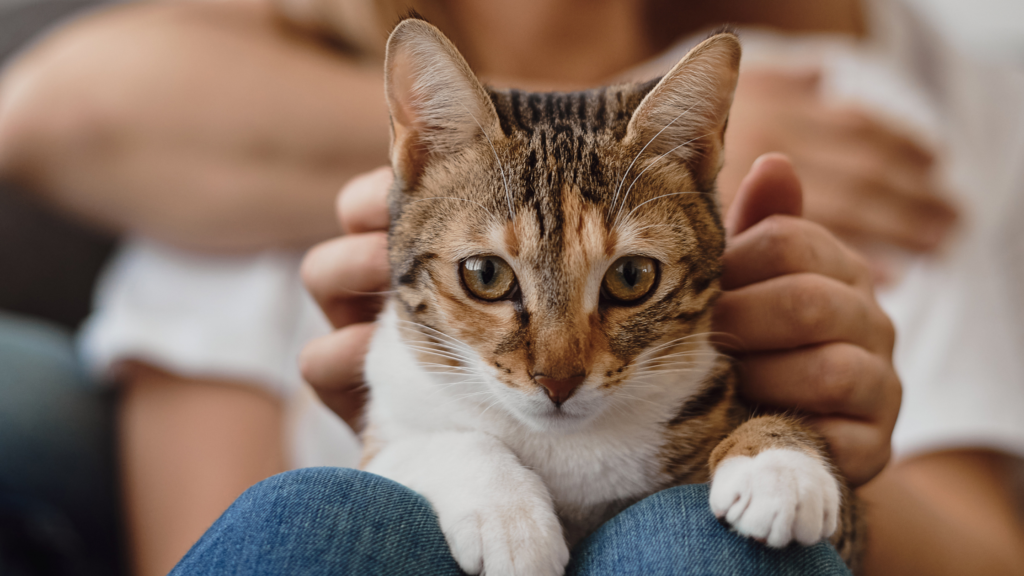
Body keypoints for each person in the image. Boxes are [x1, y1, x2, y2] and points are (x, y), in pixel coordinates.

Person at [0, 0, 1021, 574]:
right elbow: (48, 109)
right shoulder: (207, 165)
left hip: (719, 498)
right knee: (315, 519)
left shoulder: (828, 113)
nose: (558, 367)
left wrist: (821, 468)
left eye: (627, 275)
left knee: (697, 545)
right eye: (488, 274)